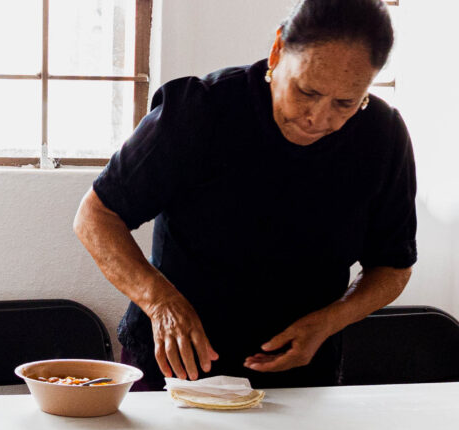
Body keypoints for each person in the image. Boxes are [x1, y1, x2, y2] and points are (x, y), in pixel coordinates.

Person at [74, 0, 415, 391]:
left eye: (346, 103)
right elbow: (96, 216)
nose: (319, 119)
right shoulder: (200, 110)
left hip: (300, 371)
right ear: (277, 51)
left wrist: (329, 321)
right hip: (177, 362)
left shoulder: (382, 137)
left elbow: (393, 266)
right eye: (306, 91)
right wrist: (159, 301)